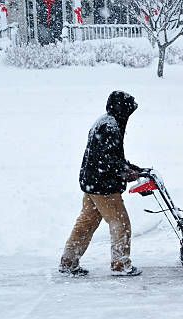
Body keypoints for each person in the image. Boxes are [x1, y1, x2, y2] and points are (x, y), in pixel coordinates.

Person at [59, 91, 143, 277]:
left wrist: (131, 168)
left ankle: (68, 261)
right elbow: (107, 161)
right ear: (122, 109)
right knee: (120, 223)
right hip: (103, 187)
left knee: (86, 223)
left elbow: (111, 157)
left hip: (92, 183)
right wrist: (125, 173)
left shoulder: (104, 122)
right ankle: (121, 264)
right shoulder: (110, 128)